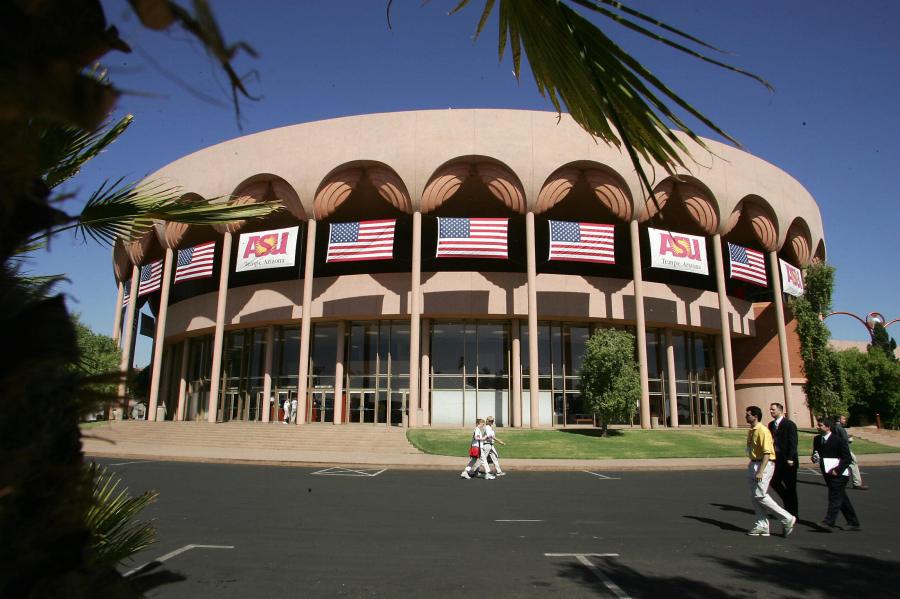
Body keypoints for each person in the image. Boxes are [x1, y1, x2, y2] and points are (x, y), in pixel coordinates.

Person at [745, 406, 797, 537]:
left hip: (764, 464)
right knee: (754, 497)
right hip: (754, 463)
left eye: (748, 415)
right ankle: (762, 525)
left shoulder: (763, 431)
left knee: (760, 495)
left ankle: (787, 518)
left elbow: (767, 453)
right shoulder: (752, 430)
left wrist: (761, 471)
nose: (746, 416)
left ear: (755, 416)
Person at [812, 416, 861, 530]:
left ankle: (828, 522)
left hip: (839, 474)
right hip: (827, 473)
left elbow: (847, 458)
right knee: (841, 498)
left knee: (834, 497)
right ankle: (853, 522)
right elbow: (816, 454)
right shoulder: (817, 439)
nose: (817, 427)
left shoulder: (838, 440)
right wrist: (814, 458)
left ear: (828, 427)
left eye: (820, 425)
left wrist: (837, 470)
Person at [768, 403, 799, 517]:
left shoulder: (789, 424)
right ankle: (787, 502)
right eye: (770, 410)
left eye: (773, 410)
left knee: (791, 487)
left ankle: (793, 513)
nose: (771, 411)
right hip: (777, 460)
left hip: (788, 461)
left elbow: (793, 442)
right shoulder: (771, 425)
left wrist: (790, 458)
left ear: (780, 411)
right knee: (774, 481)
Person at [835, 415, 868, 490]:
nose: (845, 420)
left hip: (839, 450)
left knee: (842, 464)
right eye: (843, 419)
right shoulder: (840, 428)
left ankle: (837, 481)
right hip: (845, 450)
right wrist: (849, 439)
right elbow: (844, 440)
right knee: (853, 463)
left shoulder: (835, 427)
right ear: (839, 420)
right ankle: (857, 483)